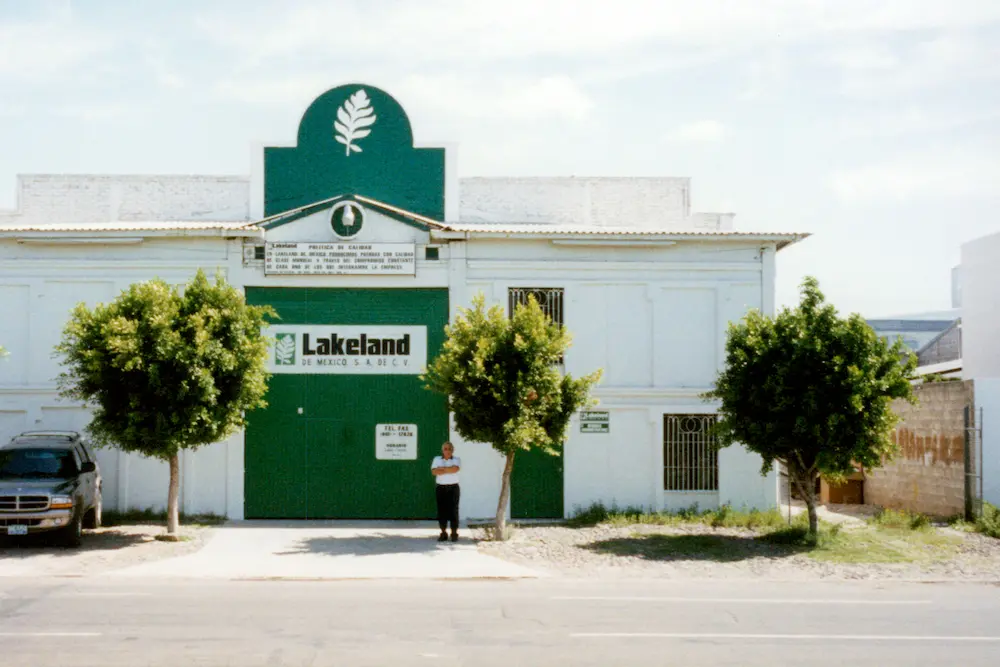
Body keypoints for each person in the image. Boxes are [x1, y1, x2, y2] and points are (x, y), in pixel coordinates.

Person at [430, 441, 461, 542]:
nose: (447, 451)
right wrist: (448, 469)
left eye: (449, 449)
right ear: (442, 450)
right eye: (445, 449)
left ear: (452, 450)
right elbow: (434, 471)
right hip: (441, 488)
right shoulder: (436, 459)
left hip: (453, 488)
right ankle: (443, 532)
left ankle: (454, 533)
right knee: (441, 511)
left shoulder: (457, 459)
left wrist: (441, 469)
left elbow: (455, 469)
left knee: (453, 511)